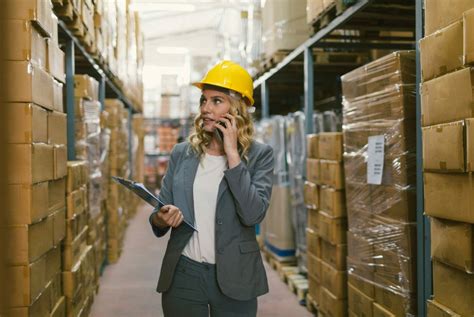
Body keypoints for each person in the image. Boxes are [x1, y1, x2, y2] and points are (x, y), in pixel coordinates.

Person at [149, 60, 274, 317]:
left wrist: (232, 156)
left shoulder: (260, 155)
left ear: (237, 108)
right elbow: (160, 214)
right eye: (203, 101)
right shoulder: (182, 153)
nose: (206, 108)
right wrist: (161, 218)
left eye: (217, 101)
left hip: (235, 274)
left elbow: (253, 215)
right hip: (184, 273)